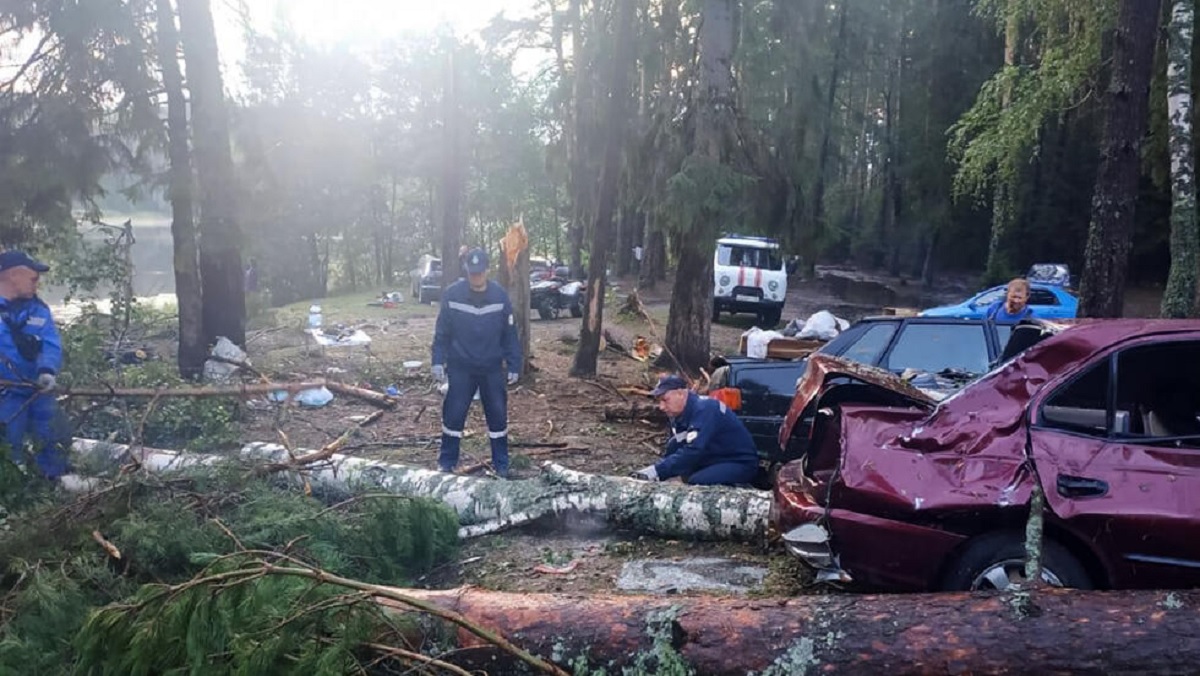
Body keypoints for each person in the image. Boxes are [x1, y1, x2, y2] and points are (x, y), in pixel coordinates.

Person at [432, 247, 522, 477]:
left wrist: (514, 364)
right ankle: (446, 463)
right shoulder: (452, 295)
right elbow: (442, 332)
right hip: (461, 367)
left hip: (491, 368)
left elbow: (509, 333)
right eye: (472, 273)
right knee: (453, 414)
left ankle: (501, 464)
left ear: (487, 271)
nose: (476, 278)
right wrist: (437, 360)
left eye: (480, 273)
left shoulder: (500, 296)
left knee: (497, 416)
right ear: (466, 271)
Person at [0, 251, 67, 479]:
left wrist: (47, 370)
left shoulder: (38, 309)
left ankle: (51, 485)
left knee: (51, 438)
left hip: (38, 390)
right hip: (5, 394)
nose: (37, 284)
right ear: (14, 275)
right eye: (33, 278)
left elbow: (50, 343)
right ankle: (13, 493)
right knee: (9, 445)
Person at [629, 374, 759, 486]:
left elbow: (693, 451)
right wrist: (658, 475)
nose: (661, 407)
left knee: (697, 482)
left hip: (738, 462)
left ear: (680, 393)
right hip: (712, 459)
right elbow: (674, 448)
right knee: (681, 477)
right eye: (659, 401)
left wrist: (656, 471)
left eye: (665, 400)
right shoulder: (677, 415)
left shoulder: (705, 409)